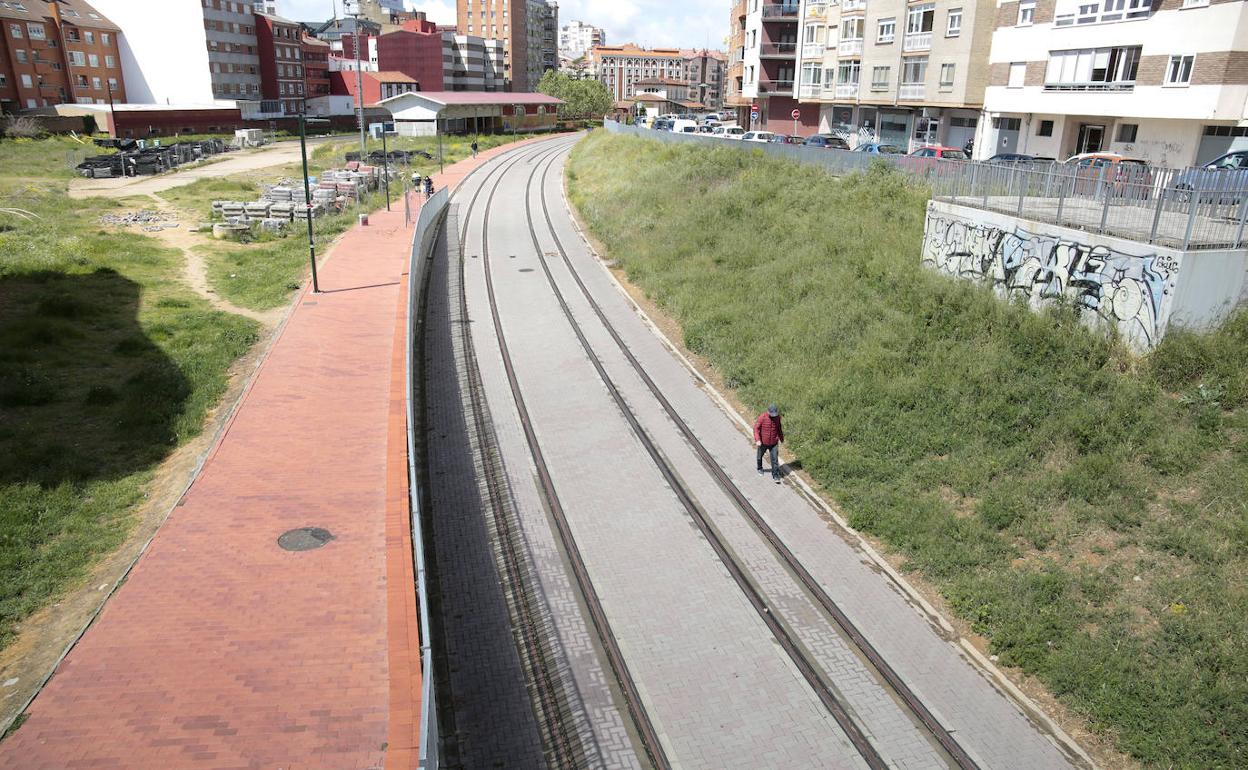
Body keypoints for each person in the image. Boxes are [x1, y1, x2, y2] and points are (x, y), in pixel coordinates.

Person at [754, 404, 784, 482]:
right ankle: (760, 468)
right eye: (772, 414)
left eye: (775, 414)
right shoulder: (762, 417)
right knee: (759, 456)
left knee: (774, 459)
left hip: (774, 443)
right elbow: (756, 428)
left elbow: (779, 428)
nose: (773, 416)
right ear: (768, 412)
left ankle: (775, 475)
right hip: (763, 442)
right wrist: (757, 440)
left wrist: (781, 438)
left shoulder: (778, 418)